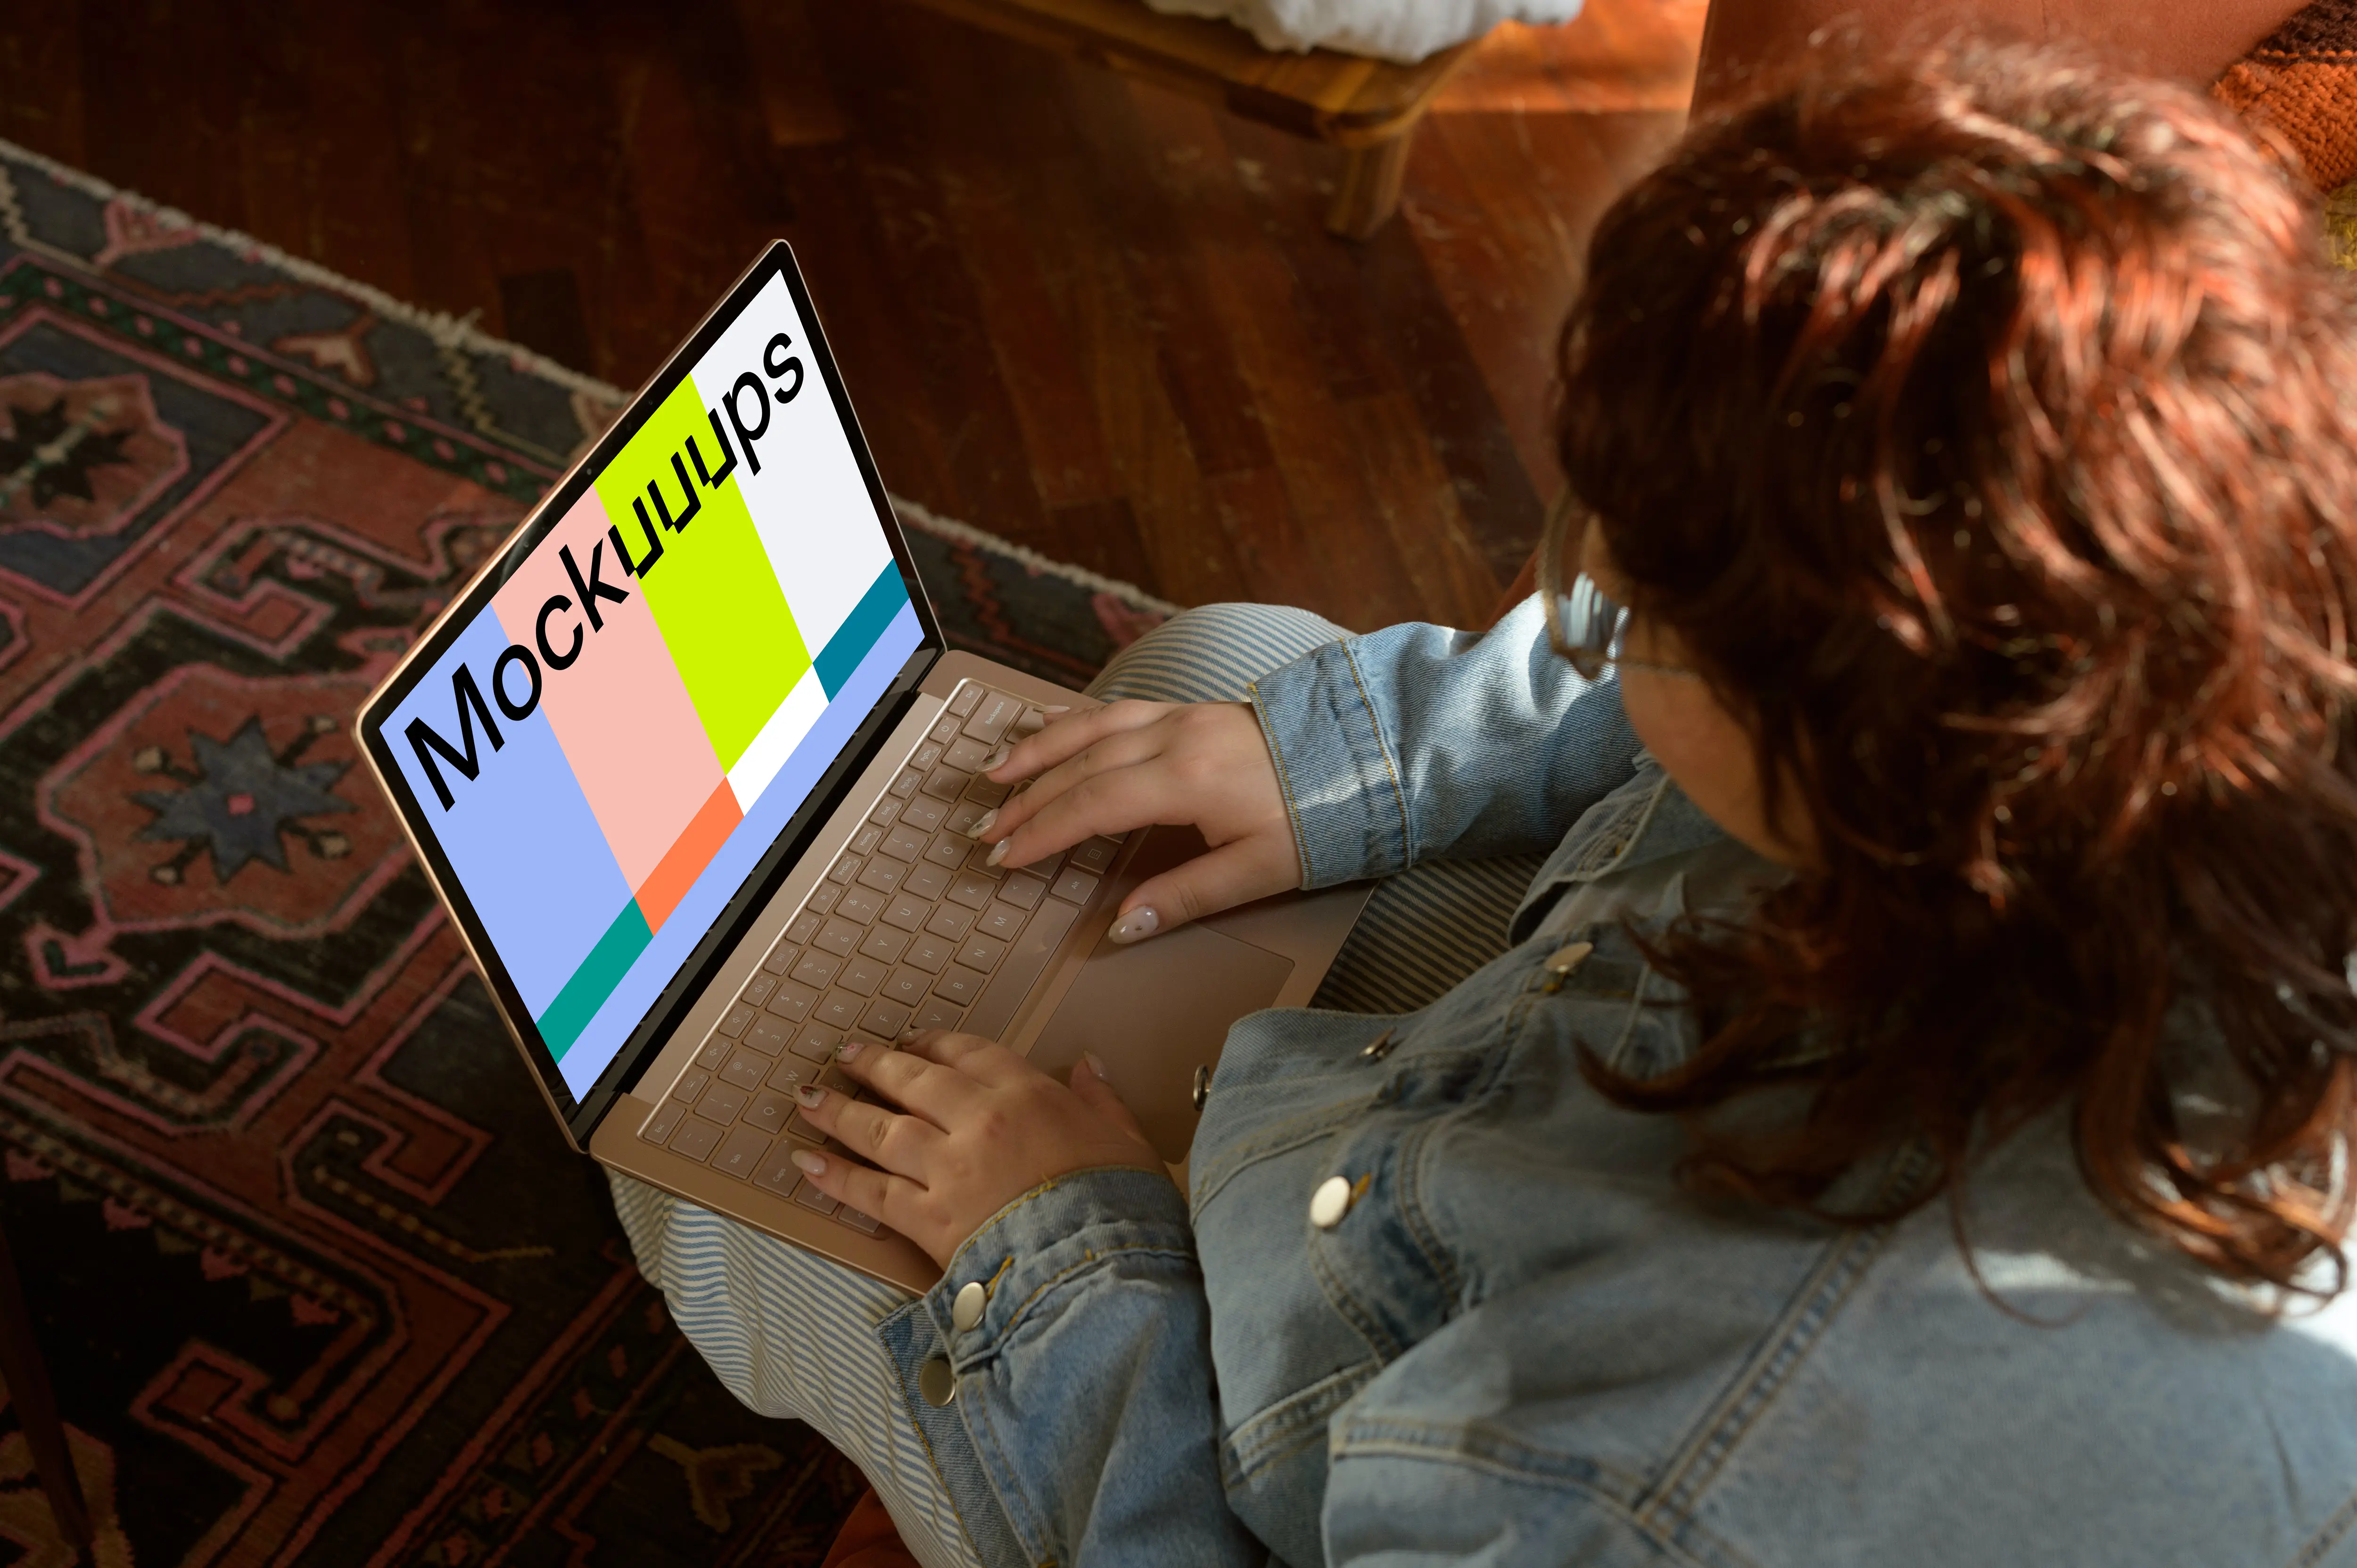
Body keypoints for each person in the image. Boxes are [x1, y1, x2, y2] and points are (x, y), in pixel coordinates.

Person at [616, 35, 2357, 1567]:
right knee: (1225, 668)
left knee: (704, 1187)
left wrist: (1058, 1268)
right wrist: (1342, 760)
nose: (1581, 608)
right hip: (1468, 1194)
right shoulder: (2201, 658)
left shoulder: (1656, 1470)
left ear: (1852, 742)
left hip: (1381, 1456)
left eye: (1629, 598)